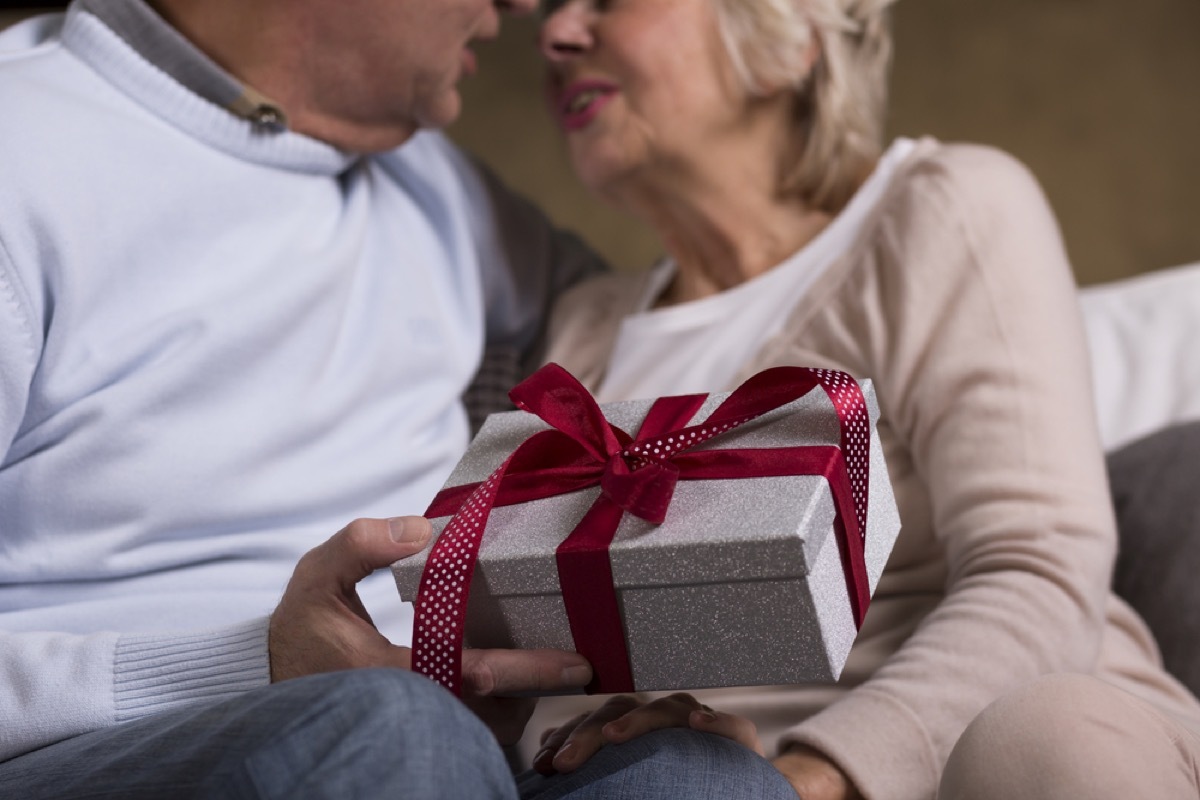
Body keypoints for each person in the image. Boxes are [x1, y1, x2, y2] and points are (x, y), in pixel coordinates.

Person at [0, 1, 801, 797]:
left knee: (699, 774)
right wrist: (253, 665)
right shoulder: (26, 147)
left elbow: (666, 326)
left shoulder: (436, 184)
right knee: (401, 733)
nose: (526, 8)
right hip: (105, 741)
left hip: (447, 747)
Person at [524, 0, 1200, 797]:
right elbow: (549, 673)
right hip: (695, 782)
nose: (556, 33)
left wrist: (810, 775)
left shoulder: (940, 210)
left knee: (1039, 739)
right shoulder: (583, 333)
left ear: (785, 39)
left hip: (994, 754)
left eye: (607, 0)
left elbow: (1040, 570)